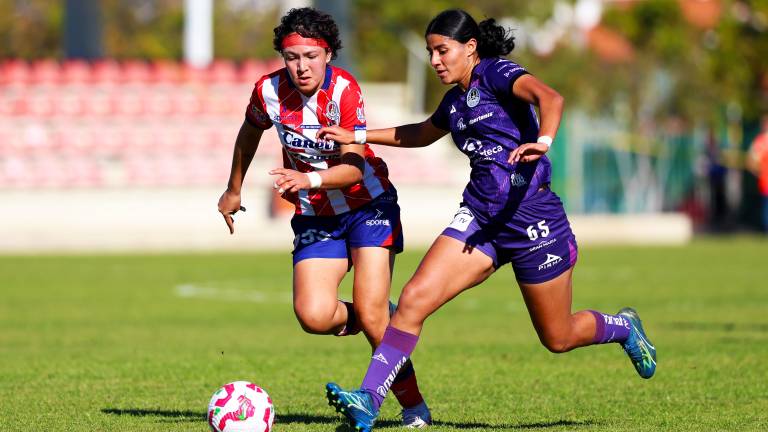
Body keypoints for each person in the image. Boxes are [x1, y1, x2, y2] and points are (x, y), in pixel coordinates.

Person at [317, 9, 656, 431]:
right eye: (430, 52)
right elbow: (422, 133)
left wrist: (542, 142)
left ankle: (622, 327)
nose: (436, 60)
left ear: (470, 48)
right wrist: (359, 136)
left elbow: (551, 98)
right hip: (480, 218)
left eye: (443, 50)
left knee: (558, 337)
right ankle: (368, 399)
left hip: (533, 219)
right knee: (414, 299)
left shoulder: (496, 74)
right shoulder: (454, 101)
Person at [216, 7, 431, 427]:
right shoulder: (268, 92)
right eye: (292, 57)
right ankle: (379, 316)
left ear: (328, 54)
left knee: (372, 316)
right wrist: (233, 187)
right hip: (317, 213)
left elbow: (352, 168)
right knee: (314, 315)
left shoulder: (345, 92)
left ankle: (413, 406)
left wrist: (308, 177)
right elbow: (249, 132)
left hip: (368, 205)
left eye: (310, 57)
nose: (301, 66)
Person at [747, 115, 768, 232]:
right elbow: (751, 162)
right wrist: (759, 172)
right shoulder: (760, 141)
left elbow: (751, 162)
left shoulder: (759, 141)